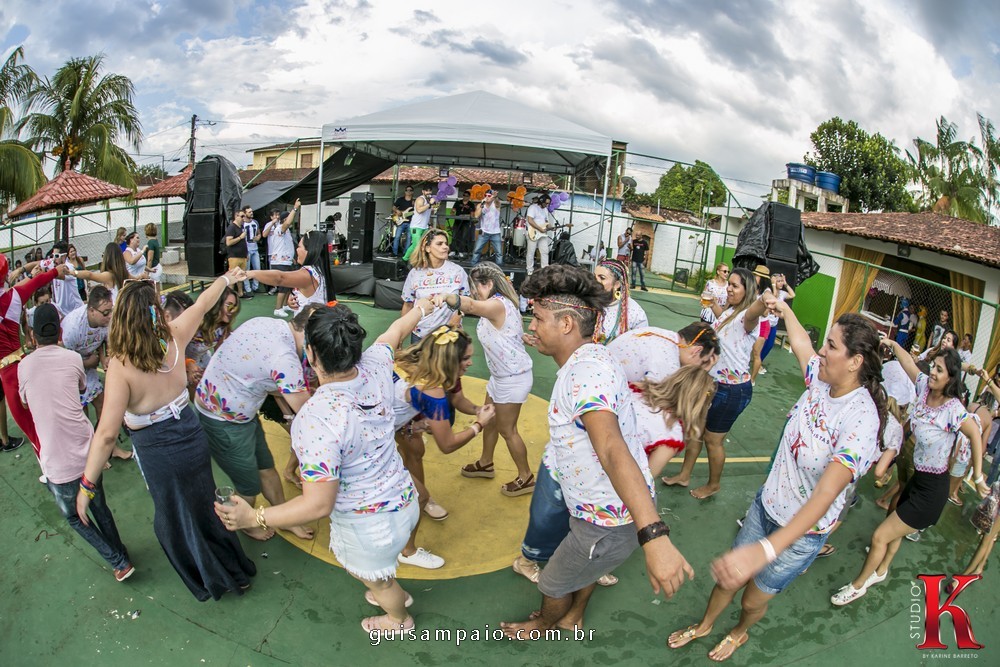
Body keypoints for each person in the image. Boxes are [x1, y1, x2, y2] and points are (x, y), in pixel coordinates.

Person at [668, 306, 885, 662]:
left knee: (753, 600)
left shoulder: (861, 420)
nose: (821, 351)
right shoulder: (822, 380)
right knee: (728, 580)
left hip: (800, 536)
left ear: (855, 362)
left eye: (831, 346)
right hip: (766, 507)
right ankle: (705, 625)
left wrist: (767, 549)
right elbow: (800, 343)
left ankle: (738, 632)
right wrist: (783, 307)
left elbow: (826, 494)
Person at [215, 303, 433, 634]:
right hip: (405, 499)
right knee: (382, 573)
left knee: (376, 579)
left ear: (311, 354)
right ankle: (389, 591)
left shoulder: (315, 418)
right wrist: (425, 307)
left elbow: (318, 504)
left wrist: (254, 517)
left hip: (369, 526)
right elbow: (397, 329)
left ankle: (398, 618)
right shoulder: (377, 363)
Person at [501, 265, 693, 639]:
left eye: (538, 318)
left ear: (567, 324)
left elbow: (610, 447)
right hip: (596, 508)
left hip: (604, 520)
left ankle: (544, 623)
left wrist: (654, 535)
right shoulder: (591, 357)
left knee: (553, 582)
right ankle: (574, 616)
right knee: (587, 567)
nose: (533, 326)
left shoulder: (585, 374)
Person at [76, 271, 256, 602]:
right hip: (191, 436)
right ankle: (235, 570)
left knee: (177, 518)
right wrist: (226, 278)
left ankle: (214, 578)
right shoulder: (173, 336)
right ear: (155, 312)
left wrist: (87, 486)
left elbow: (106, 435)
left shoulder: (121, 365)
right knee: (204, 505)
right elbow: (203, 303)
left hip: (158, 451)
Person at [831, 343, 990, 606]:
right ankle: (881, 570)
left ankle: (857, 586)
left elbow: (974, 434)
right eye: (934, 367)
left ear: (951, 378)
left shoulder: (952, 409)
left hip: (932, 492)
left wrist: (980, 476)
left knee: (880, 536)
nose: (933, 372)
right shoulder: (925, 386)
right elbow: (908, 364)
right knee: (894, 532)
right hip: (918, 480)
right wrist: (893, 345)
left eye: (940, 370)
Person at [18, 303, 134, 581]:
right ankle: (120, 551)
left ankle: (118, 560)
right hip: (88, 453)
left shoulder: (24, 366)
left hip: (57, 463)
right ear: (59, 332)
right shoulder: (72, 358)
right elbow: (82, 386)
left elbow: (24, 401)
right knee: (99, 507)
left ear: (32, 335)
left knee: (73, 517)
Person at [194, 310, 319, 541]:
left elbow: (261, 377)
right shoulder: (285, 359)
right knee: (248, 487)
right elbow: (310, 414)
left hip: (241, 412)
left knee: (266, 467)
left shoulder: (266, 322)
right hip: (223, 420)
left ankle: (284, 519)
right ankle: (245, 524)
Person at [392, 326, 496, 568]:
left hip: (372, 425)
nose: (470, 363)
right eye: (466, 358)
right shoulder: (432, 390)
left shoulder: (414, 361)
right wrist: (479, 425)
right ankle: (407, 551)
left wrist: (476, 410)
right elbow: (447, 445)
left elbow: (457, 399)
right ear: (449, 360)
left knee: (415, 450)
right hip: (372, 441)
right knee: (419, 495)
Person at [664, 267, 768, 499]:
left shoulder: (748, 317)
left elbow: (754, 311)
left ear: (748, 290)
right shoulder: (730, 311)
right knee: (696, 431)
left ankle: (713, 485)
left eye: (735, 286)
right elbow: (724, 322)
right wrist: (712, 306)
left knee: (713, 440)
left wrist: (765, 299)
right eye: (729, 284)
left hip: (732, 390)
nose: (729, 288)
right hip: (712, 383)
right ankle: (684, 475)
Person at [435, 262, 534, 495]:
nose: (474, 292)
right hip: (499, 376)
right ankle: (486, 463)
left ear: (488, 284)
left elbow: (470, 305)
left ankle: (526, 476)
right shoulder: (498, 304)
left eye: (476, 287)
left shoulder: (497, 304)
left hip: (513, 377)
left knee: (507, 430)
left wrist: (446, 297)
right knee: (489, 419)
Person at [0, 254, 68, 455]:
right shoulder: (14, 296)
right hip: (24, 365)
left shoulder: (13, 294)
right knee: (45, 419)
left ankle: (50, 463)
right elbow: (36, 282)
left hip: (8, 375)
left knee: (33, 431)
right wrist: (55, 271)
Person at [400, 230, 469, 343]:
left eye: (446, 243)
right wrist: (401, 336)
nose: (445, 247)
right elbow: (408, 304)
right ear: (427, 248)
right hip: (420, 335)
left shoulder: (458, 271)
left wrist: (457, 317)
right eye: (439, 244)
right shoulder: (415, 273)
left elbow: (466, 300)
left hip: (450, 335)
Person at [247, 230, 336, 317]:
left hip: (307, 324)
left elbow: (280, 278)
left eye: (299, 247)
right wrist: (295, 299)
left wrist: (251, 274)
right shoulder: (319, 271)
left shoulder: (308, 274)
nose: (297, 250)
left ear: (309, 251)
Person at [594, 258, 648, 344]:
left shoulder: (635, 313)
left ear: (617, 284)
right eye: (594, 277)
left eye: (602, 278)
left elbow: (641, 345)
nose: (595, 282)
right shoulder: (586, 303)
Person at [262, 199, 300, 315]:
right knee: (283, 286)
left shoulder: (287, 232)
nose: (291, 220)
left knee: (289, 285)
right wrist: (295, 208)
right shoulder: (280, 229)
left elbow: (286, 246)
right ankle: (278, 309)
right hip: (280, 262)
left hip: (287, 261)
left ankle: (284, 305)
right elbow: (287, 223)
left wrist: (292, 257)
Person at [42, 241, 84, 316]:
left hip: (75, 312)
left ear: (64, 256)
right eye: (53, 256)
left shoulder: (69, 267)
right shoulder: (54, 266)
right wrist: (22, 269)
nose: (54, 259)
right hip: (63, 312)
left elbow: (57, 274)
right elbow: (38, 264)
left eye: (56, 256)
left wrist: (44, 272)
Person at [401, 184, 436, 262]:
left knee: (424, 245)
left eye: (430, 191)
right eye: (426, 191)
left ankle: (420, 261)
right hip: (416, 227)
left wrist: (429, 224)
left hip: (425, 227)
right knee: (416, 245)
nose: (428, 192)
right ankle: (405, 259)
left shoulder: (429, 201)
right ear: (423, 191)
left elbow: (427, 215)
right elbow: (419, 210)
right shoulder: (420, 199)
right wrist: (430, 204)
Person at [471, 189, 503, 266]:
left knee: (499, 252)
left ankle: (499, 268)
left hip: (495, 232)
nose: (487, 197)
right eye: (485, 195)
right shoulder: (481, 205)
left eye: (489, 196)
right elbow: (476, 215)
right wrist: (482, 204)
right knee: (477, 250)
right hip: (484, 232)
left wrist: (495, 197)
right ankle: (473, 267)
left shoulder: (496, 203)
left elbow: (498, 203)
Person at [224, 211, 250, 299]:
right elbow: (228, 242)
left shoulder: (241, 227)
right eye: (242, 216)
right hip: (234, 256)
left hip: (242, 255)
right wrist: (240, 237)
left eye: (244, 216)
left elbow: (244, 242)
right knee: (233, 276)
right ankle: (229, 296)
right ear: (236, 216)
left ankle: (240, 293)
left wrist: (246, 253)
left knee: (241, 276)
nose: (243, 218)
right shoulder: (232, 227)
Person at [525, 194, 553, 275]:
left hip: (542, 234)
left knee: (545, 251)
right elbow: (530, 220)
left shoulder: (545, 210)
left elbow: (546, 222)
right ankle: (529, 269)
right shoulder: (533, 207)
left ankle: (545, 269)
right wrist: (539, 229)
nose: (547, 205)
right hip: (533, 232)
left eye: (548, 204)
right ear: (541, 201)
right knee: (531, 252)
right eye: (546, 203)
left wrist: (551, 227)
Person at [242, 206, 261, 294]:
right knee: (247, 269)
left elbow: (259, 233)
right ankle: (248, 289)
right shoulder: (242, 224)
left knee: (257, 268)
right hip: (246, 249)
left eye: (251, 211)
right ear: (245, 213)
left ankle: (255, 287)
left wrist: (258, 237)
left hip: (255, 248)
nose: (251, 213)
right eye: (249, 212)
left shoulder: (255, 222)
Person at [451, 189, 476, 258]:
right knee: (454, 235)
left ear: (469, 197)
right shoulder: (458, 202)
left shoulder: (471, 204)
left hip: (466, 223)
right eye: (464, 195)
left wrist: (466, 216)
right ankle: (453, 250)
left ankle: (461, 251)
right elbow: (453, 211)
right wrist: (453, 212)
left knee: (464, 237)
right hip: (457, 221)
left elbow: (472, 215)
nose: (465, 197)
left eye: (467, 196)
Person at [392, 186, 415, 257]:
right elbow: (393, 207)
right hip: (401, 221)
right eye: (407, 190)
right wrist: (397, 210)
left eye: (410, 190)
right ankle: (394, 253)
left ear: (412, 192)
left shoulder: (414, 202)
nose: (408, 192)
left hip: (410, 222)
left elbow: (417, 211)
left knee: (409, 238)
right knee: (397, 237)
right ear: (405, 191)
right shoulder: (400, 200)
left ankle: (405, 253)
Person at [144, 223, 163, 297]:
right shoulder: (155, 240)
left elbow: (150, 259)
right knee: (157, 292)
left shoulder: (150, 242)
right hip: (157, 267)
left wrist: (147, 271)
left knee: (154, 292)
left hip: (153, 269)